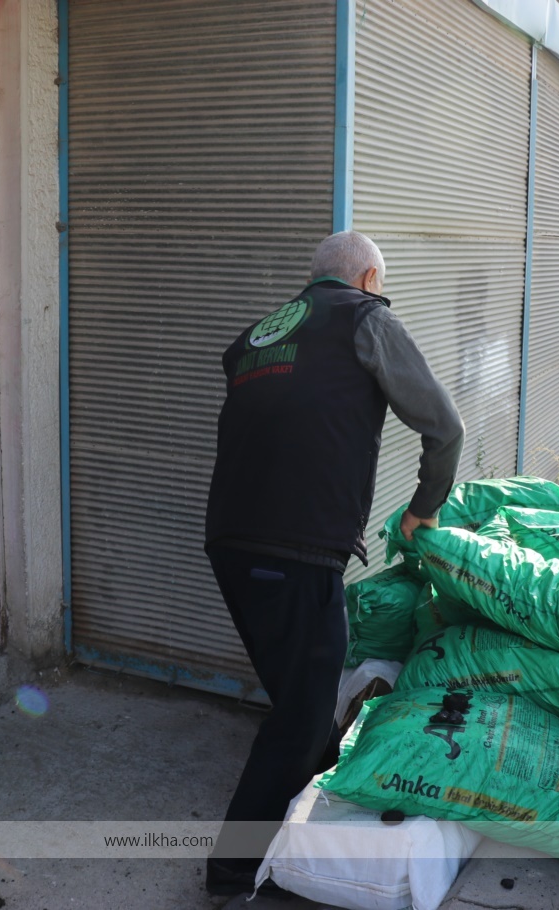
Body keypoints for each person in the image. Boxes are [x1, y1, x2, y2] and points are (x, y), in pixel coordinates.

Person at [203, 230, 465, 896]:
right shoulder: (365, 318)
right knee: (298, 710)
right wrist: (422, 508)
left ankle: (316, 792)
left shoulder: (260, 333)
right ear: (369, 279)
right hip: (298, 547)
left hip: (229, 541)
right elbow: (443, 426)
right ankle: (232, 868)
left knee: (304, 689)